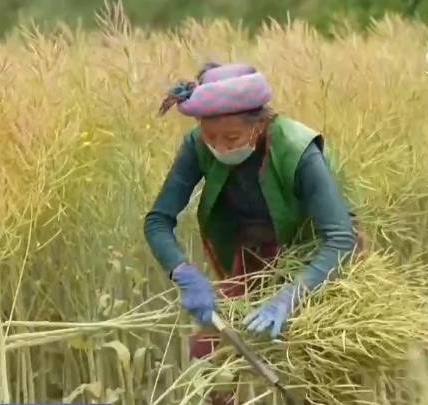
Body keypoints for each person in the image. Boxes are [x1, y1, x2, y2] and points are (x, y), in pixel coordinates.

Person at [144, 62, 363, 404]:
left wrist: (289, 297)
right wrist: (182, 272)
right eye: (210, 137)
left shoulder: (297, 148)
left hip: (316, 253)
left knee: (318, 354)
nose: (220, 147)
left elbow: (339, 238)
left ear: (259, 124)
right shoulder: (197, 145)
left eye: (231, 138)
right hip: (255, 251)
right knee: (211, 350)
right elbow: (157, 220)